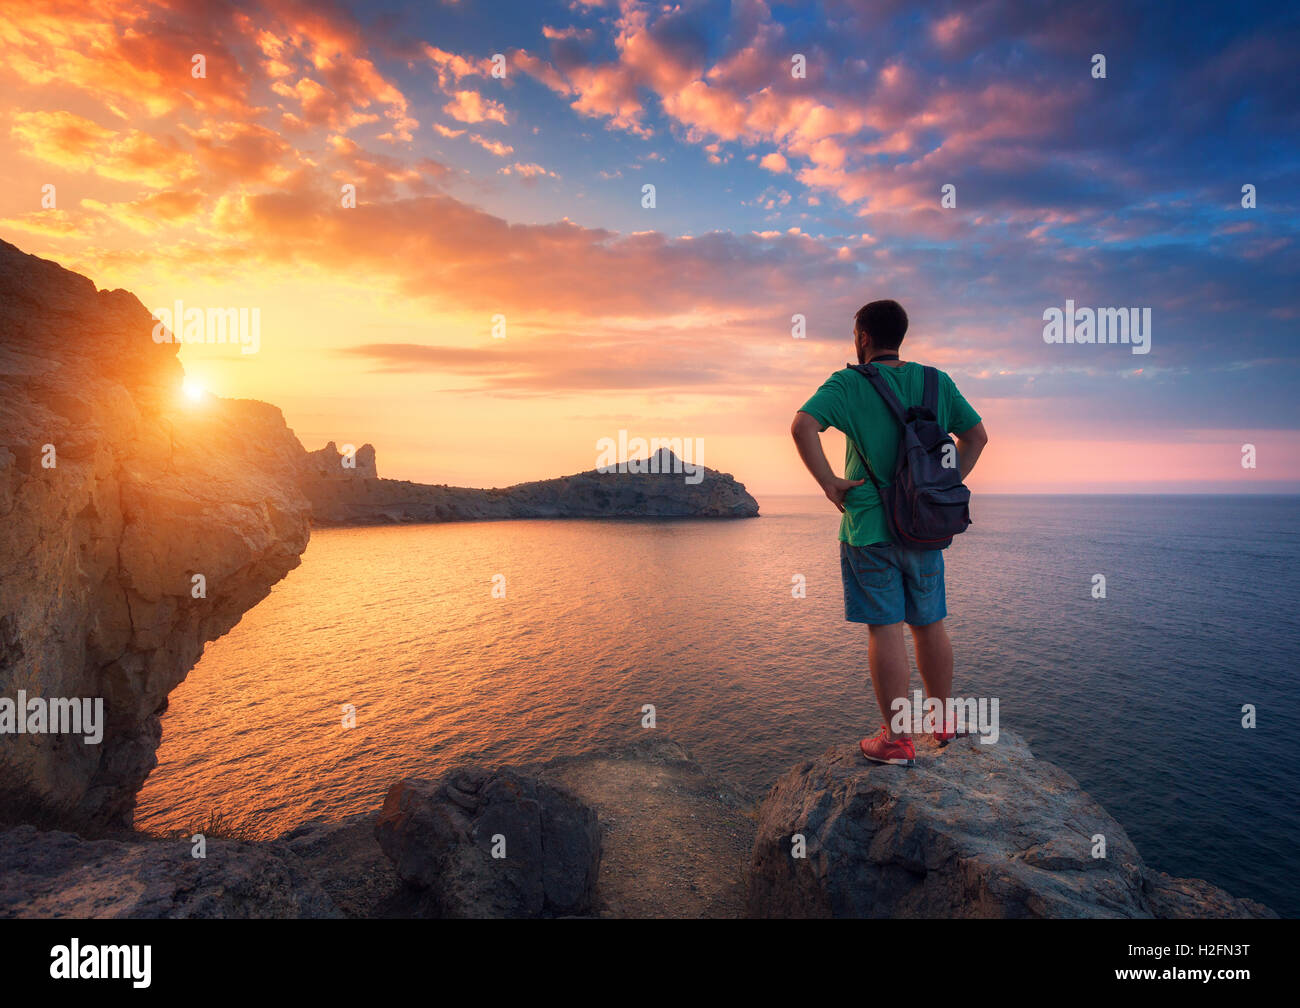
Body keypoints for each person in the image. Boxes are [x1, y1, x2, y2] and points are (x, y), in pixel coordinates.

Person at [790, 300, 988, 766]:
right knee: (929, 624)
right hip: (924, 524)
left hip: (869, 527)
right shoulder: (936, 381)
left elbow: (802, 426)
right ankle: (942, 724)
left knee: (885, 630)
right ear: (901, 334)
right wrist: (944, 482)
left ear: (861, 337)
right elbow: (976, 436)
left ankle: (897, 741)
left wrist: (829, 482)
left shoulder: (847, 383)